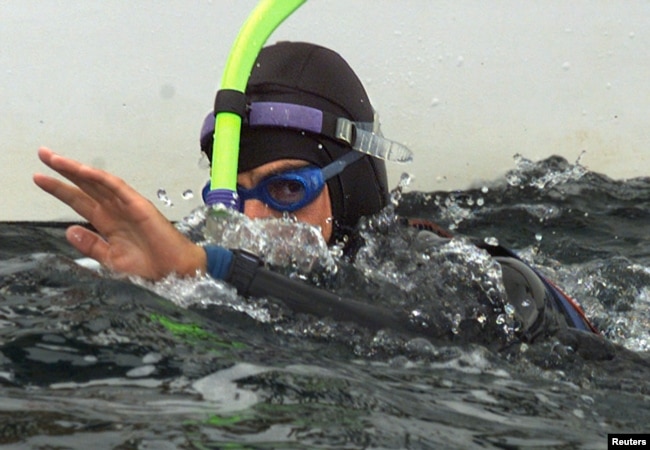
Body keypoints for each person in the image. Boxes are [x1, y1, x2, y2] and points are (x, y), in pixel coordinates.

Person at [33, 41, 596, 342]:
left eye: (285, 189)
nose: (255, 217)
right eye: (236, 194)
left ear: (351, 186)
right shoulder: (239, 271)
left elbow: (423, 338)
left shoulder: (461, 276)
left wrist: (220, 267)